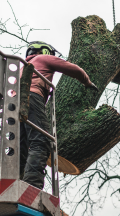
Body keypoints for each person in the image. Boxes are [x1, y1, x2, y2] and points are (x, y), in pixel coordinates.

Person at [20, 41, 98, 189]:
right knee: (40, 141)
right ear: (45, 51)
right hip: (32, 97)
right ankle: (32, 186)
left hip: (13, 104)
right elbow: (72, 68)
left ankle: (15, 179)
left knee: (20, 144)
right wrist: (87, 82)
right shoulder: (43, 58)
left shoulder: (21, 67)